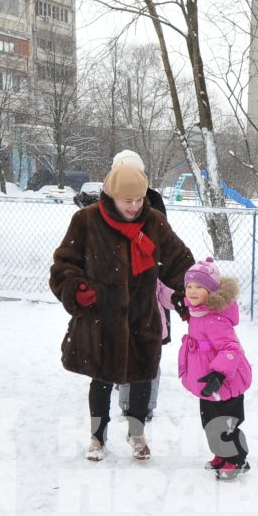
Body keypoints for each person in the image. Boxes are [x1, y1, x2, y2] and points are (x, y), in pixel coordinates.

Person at [49, 156, 196, 461]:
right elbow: (64, 264)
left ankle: (137, 433)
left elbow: (179, 260)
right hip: (101, 318)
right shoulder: (86, 221)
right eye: (127, 200)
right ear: (112, 196)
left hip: (142, 317)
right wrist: (75, 289)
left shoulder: (154, 221)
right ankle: (97, 437)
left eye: (139, 200)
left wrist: (187, 294)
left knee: (142, 377)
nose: (134, 206)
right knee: (101, 379)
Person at [93, 150, 172, 423]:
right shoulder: (106, 201)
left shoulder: (152, 202)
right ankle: (127, 398)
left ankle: (143, 406)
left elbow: (155, 241)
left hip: (147, 288)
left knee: (147, 350)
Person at [179, 259, 254, 478]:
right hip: (207, 382)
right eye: (189, 286)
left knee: (226, 423)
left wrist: (219, 374)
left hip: (226, 381)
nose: (192, 291)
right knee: (210, 422)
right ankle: (223, 454)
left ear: (210, 290)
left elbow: (231, 348)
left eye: (199, 287)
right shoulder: (197, 313)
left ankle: (237, 459)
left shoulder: (216, 319)